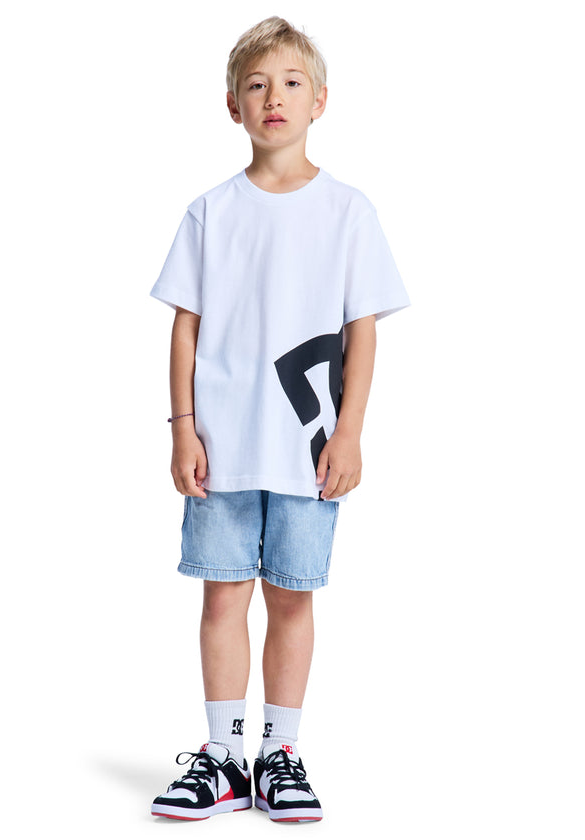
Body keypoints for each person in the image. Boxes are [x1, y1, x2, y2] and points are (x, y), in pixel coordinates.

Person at [148, 16, 410, 823]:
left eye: (291, 83)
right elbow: (185, 324)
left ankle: (281, 754)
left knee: (292, 596)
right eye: (257, 84)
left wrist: (352, 430)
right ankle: (224, 758)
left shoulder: (347, 212)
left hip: (307, 449)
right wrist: (184, 426)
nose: (274, 97)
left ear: (320, 100)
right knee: (222, 598)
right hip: (223, 447)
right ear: (233, 105)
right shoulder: (210, 212)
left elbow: (362, 327)